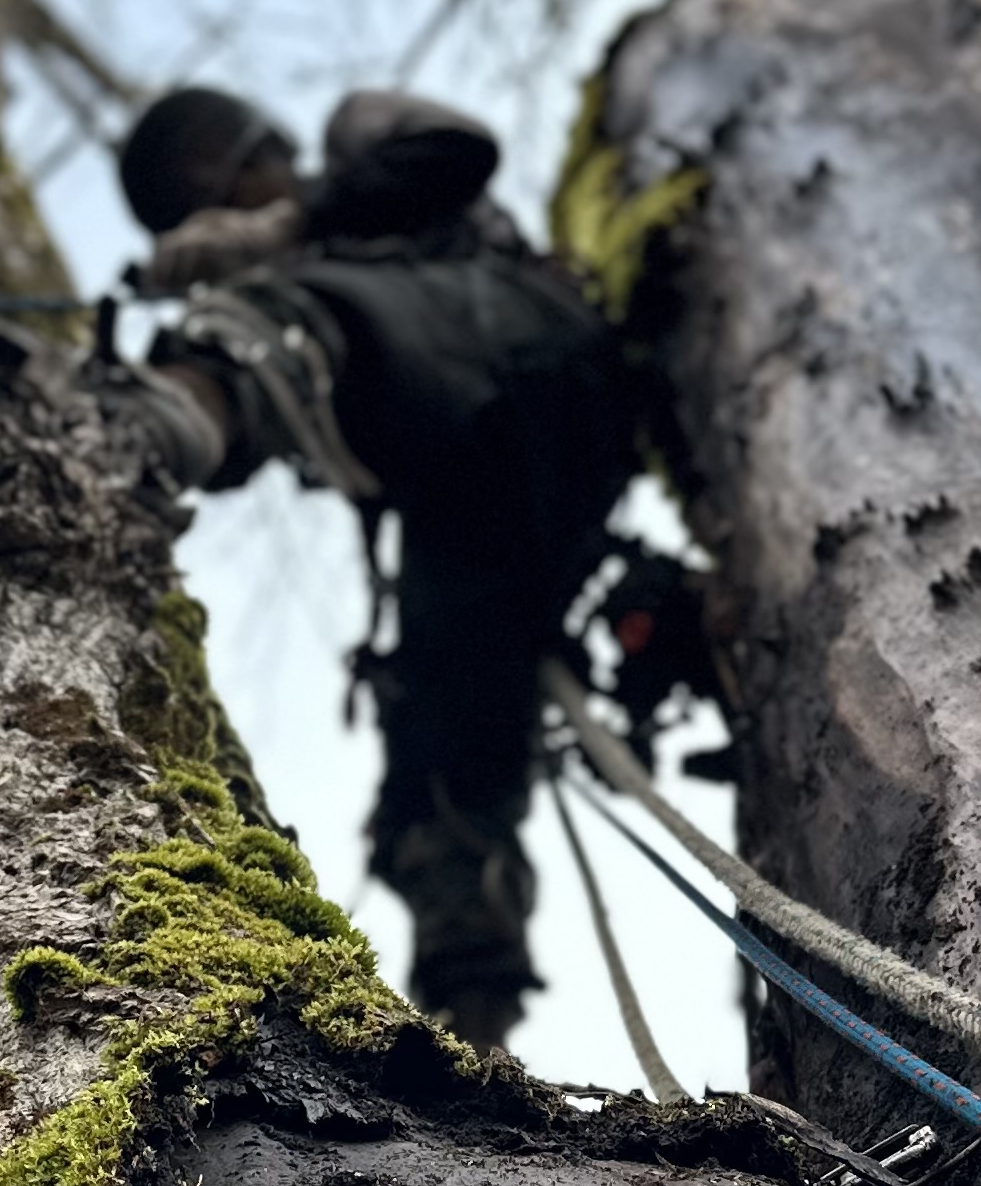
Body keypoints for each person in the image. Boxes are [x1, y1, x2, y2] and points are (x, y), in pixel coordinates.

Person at [103, 81, 637, 1048]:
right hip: (477, 500)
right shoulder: (330, 282)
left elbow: (458, 144)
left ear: (257, 150)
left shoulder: (360, 164)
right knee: (434, 759)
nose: (221, 213)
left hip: (528, 355)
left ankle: (160, 418)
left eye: (217, 189)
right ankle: (471, 1029)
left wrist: (283, 232)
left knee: (275, 320)